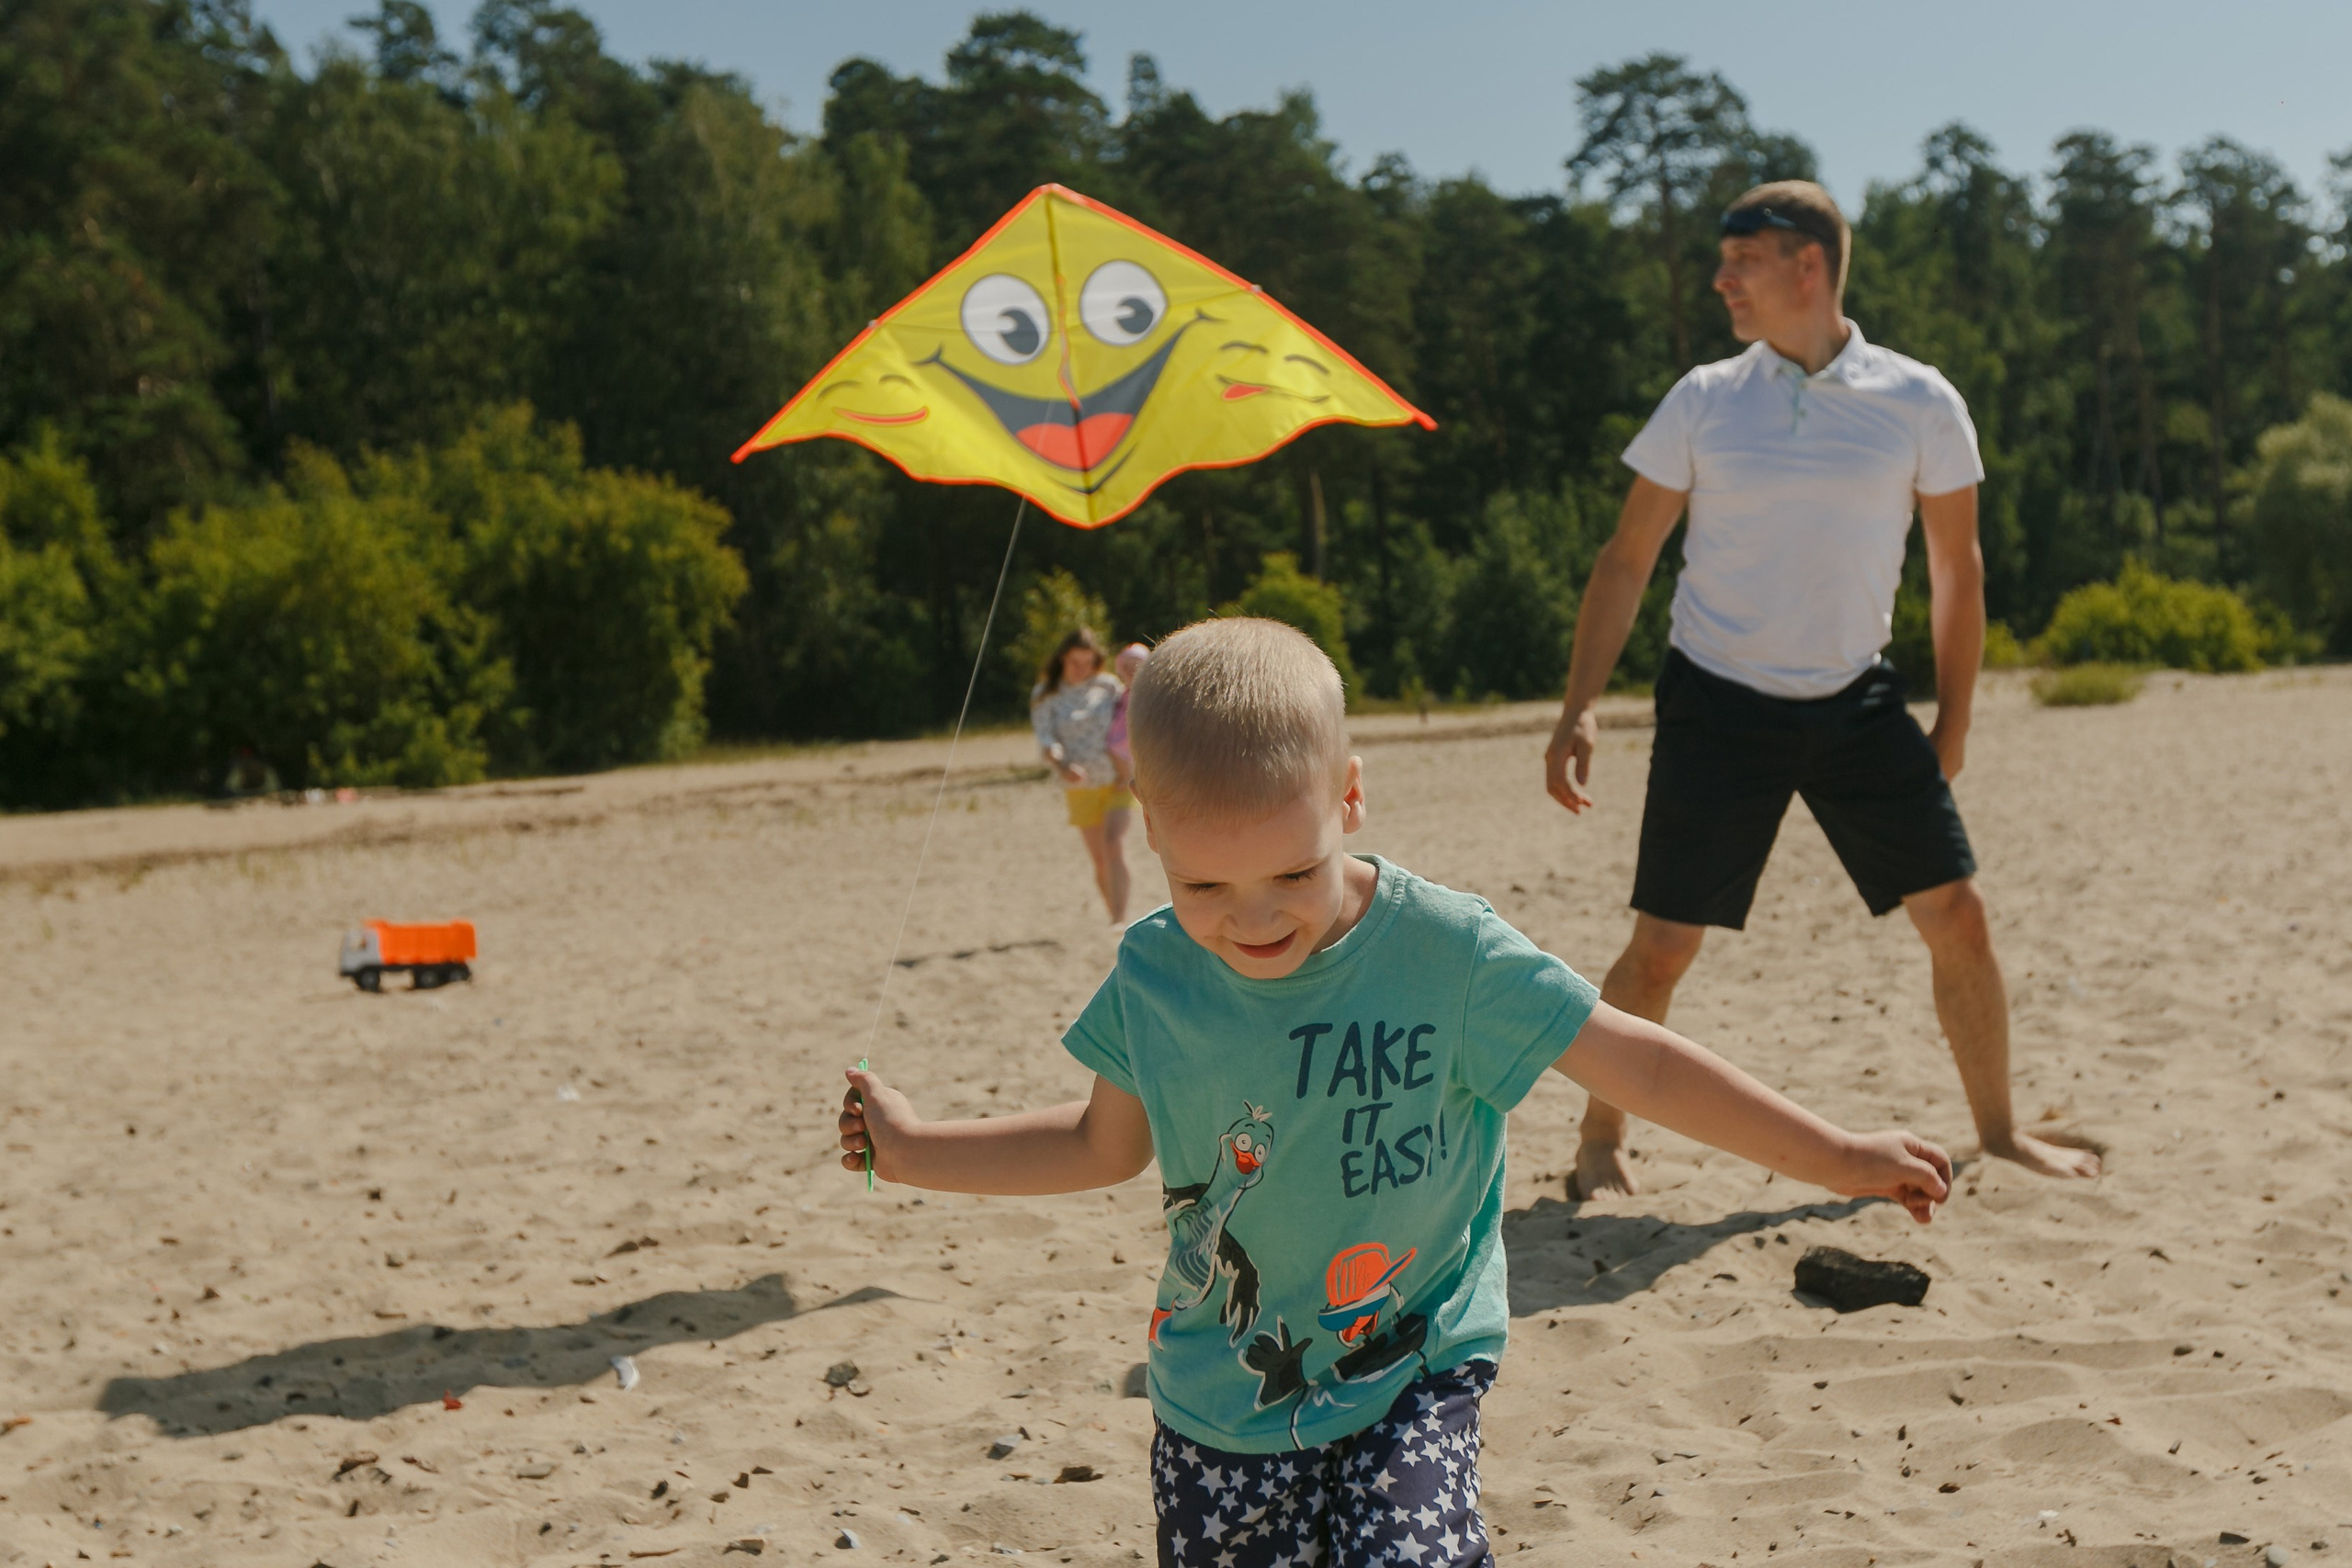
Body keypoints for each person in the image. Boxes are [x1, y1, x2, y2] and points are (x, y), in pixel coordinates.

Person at [843, 617, 1951, 1568]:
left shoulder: (1446, 955)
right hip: (1216, 1404)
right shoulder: (1155, 974)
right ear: (1148, 825)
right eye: (1202, 885)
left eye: (1291, 871)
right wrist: (914, 1147)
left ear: (1351, 797)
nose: (1253, 918)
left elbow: (1638, 1062)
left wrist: (1841, 1157)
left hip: (1413, 1365)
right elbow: (1098, 1147)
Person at [1543, 179, 2100, 1201]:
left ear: (1809, 264)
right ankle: (1601, 1139)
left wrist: (1957, 720)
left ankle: (2001, 1132)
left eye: (1740, 261)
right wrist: (1578, 704)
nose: (1720, 281)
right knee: (1661, 948)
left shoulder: (1920, 401)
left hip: (1855, 702)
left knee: (1960, 916)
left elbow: (1956, 571)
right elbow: (1626, 560)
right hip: (1716, 702)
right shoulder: (1704, 398)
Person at [1032, 626, 1133, 923]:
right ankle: (1114, 915)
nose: (1082, 669)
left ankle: (1121, 917)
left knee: (1114, 844)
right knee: (1101, 860)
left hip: (1118, 779)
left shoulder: (1108, 686)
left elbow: (1129, 716)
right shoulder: (1045, 693)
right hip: (1079, 785)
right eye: (1076, 662)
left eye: (1088, 662)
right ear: (1063, 658)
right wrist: (1062, 765)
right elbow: (1046, 739)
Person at [1107, 641, 1151, 787]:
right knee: (1114, 749)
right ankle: (1125, 776)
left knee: (1119, 748)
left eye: (1136, 666)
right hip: (1122, 726)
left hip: (1133, 729)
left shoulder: (1146, 691)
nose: (1131, 670)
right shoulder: (1122, 690)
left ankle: (1126, 777)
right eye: (1127, 667)